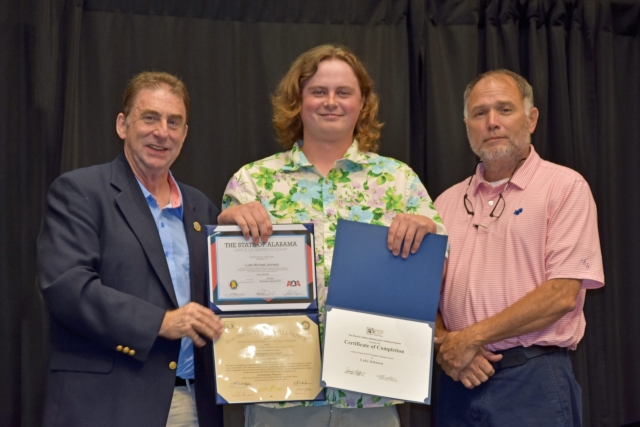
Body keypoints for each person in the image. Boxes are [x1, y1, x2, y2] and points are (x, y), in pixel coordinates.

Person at [218, 44, 446, 427]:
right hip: (278, 393)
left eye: (344, 92)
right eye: (318, 91)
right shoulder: (252, 182)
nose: (330, 102)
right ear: (298, 100)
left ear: (362, 103)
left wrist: (429, 239)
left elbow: (438, 275)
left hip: (372, 393)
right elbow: (226, 284)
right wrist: (227, 231)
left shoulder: (399, 181)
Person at [37, 72, 224, 427]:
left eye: (174, 122)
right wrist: (160, 322)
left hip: (192, 404)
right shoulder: (80, 192)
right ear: (122, 125)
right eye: (150, 117)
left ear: (185, 134)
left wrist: (239, 229)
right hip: (106, 405)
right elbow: (67, 287)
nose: (162, 132)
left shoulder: (201, 208)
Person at [433, 69, 605, 426]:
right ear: (466, 125)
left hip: (532, 379)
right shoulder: (444, 203)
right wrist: (447, 344)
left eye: (505, 109)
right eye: (480, 113)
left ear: (532, 118)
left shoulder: (565, 188)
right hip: (458, 380)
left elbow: (561, 295)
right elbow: (421, 297)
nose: (492, 122)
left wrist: (469, 339)